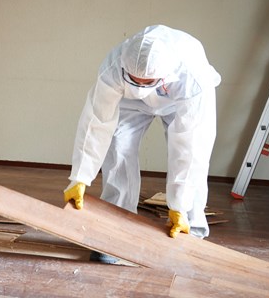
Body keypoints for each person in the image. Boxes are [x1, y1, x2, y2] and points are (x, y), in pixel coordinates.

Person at [64, 24, 221, 260]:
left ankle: (189, 227)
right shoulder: (114, 66)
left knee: (194, 159)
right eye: (134, 80)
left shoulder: (193, 79)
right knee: (118, 147)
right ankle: (116, 227)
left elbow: (190, 149)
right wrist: (80, 177)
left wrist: (178, 204)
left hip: (179, 102)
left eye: (146, 83)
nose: (140, 89)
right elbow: (96, 121)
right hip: (129, 103)